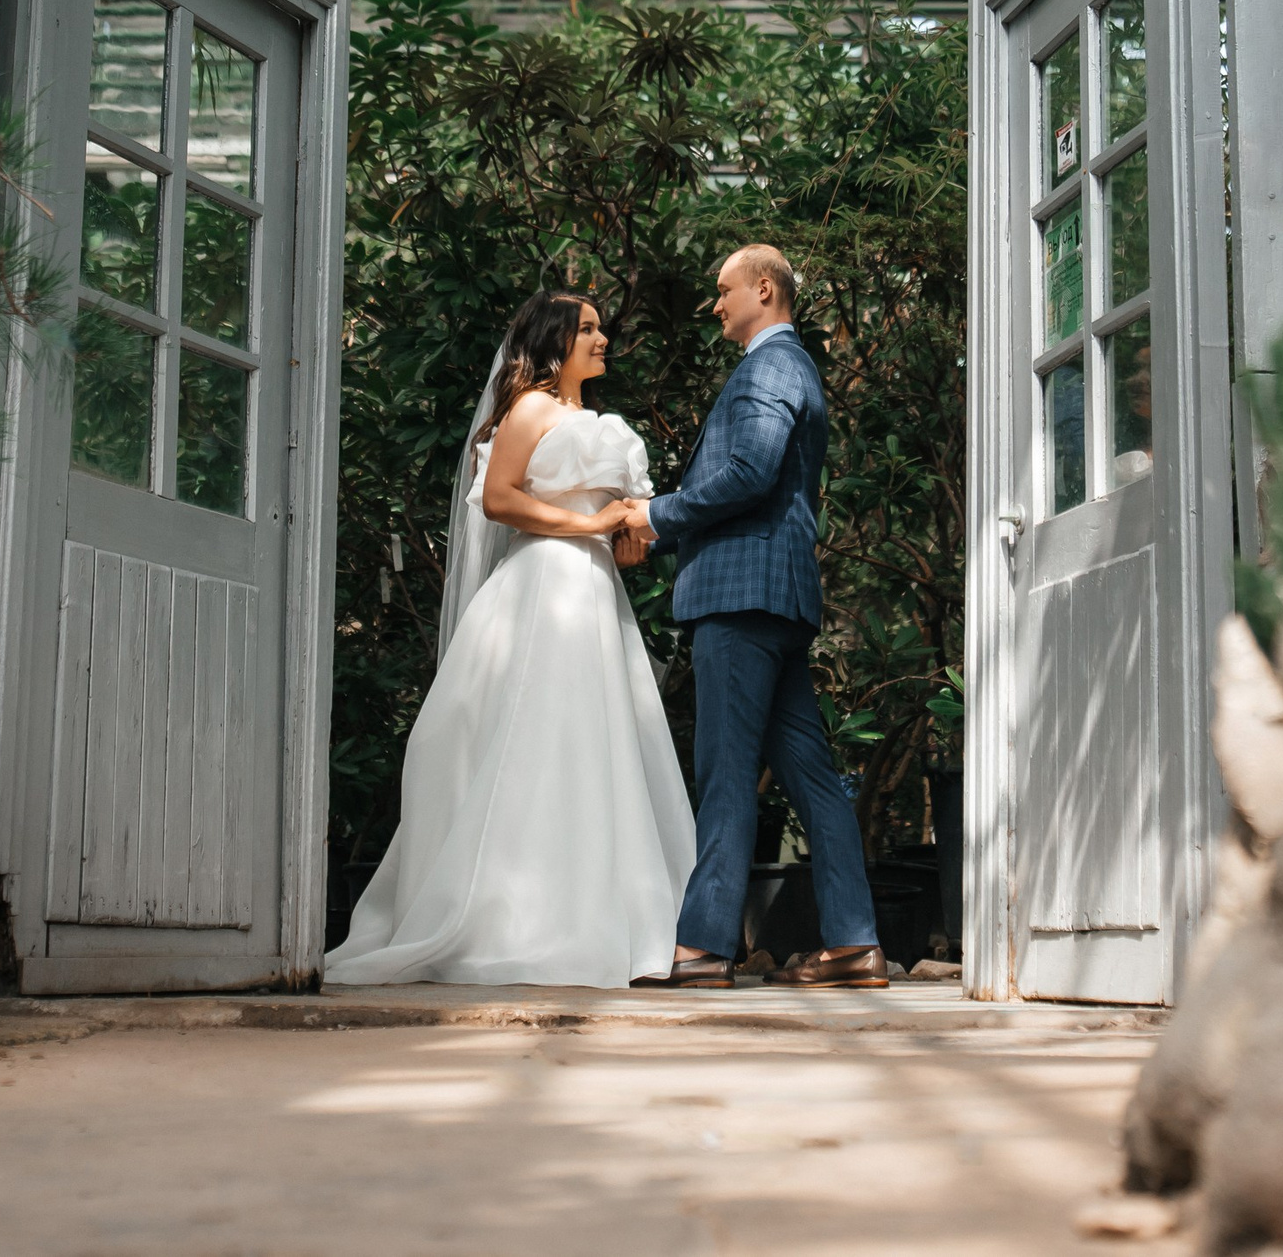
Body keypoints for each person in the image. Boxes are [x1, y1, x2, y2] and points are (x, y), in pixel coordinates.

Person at [324, 290, 696, 987]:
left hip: (594, 591)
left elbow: (611, 516)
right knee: (530, 736)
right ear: (555, 340)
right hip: (541, 586)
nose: (602, 339)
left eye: (600, 328)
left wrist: (624, 539)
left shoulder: (599, 423)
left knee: (593, 743)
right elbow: (500, 498)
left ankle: (602, 909)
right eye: (587, 329)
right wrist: (589, 525)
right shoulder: (529, 409)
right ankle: (512, 915)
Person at [621, 245, 887, 990]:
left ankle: (705, 946)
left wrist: (655, 515)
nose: (715, 304)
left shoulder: (770, 366)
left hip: (742, 596)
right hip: (774, 595)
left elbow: (748, 473)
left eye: (724, 290)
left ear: (763, 289)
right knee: (811, 776)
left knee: (726, 772)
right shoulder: (790, 366)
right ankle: (854, 943)